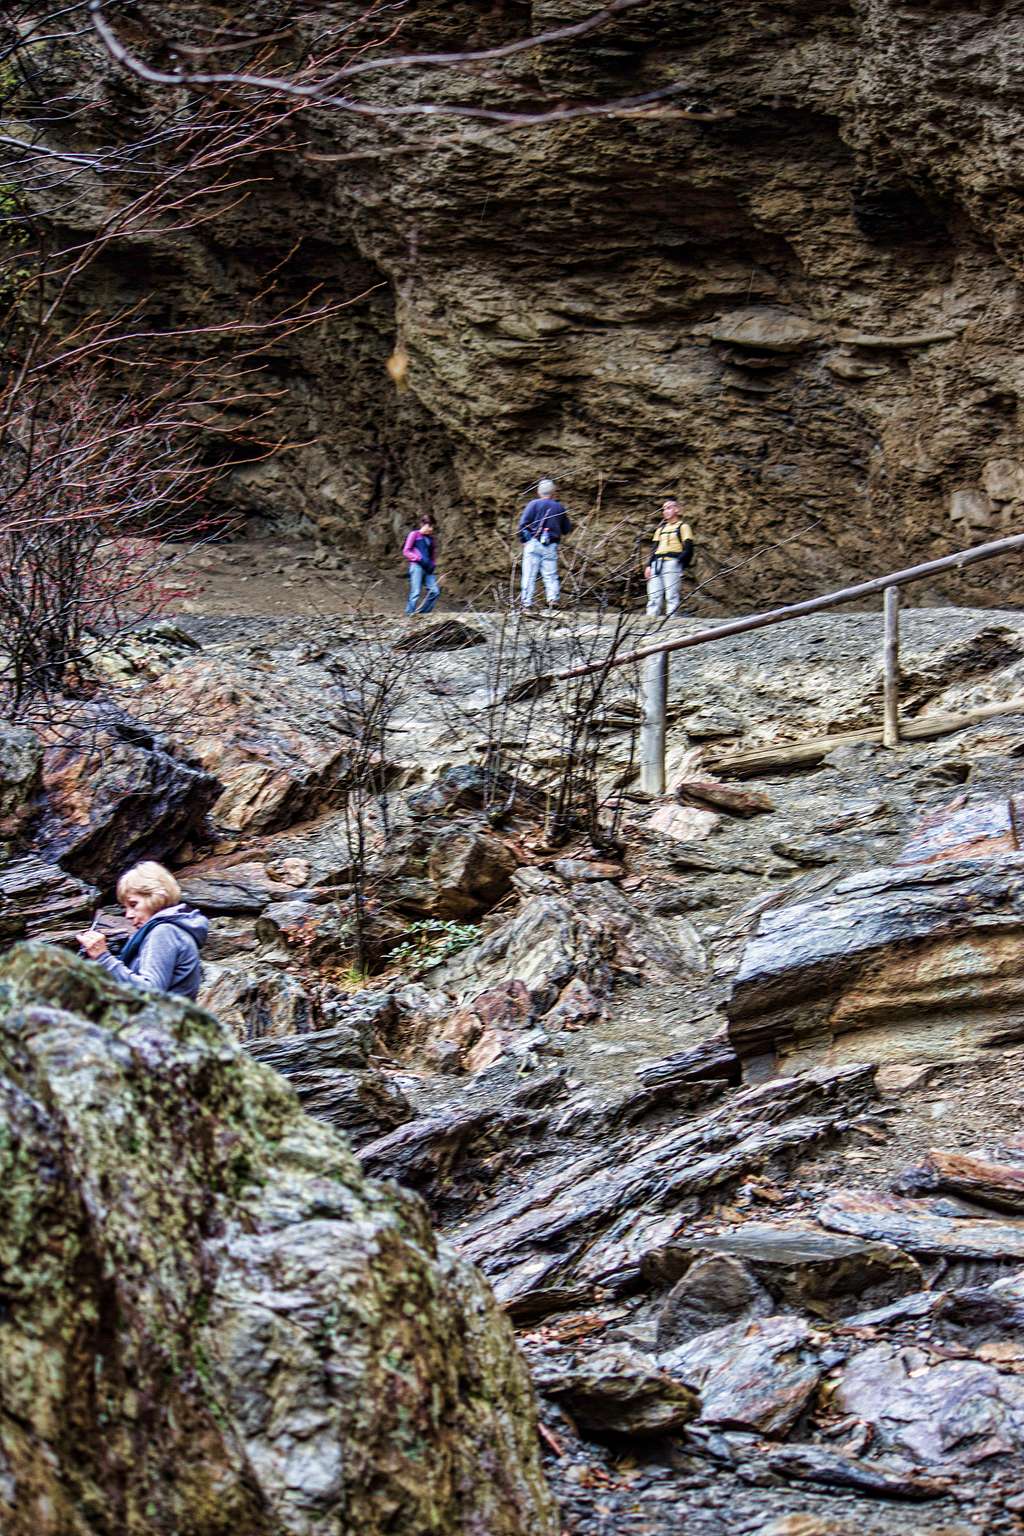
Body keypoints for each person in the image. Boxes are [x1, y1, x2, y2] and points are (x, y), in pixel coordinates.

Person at [76, 861, 209, 1000]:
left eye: (133, 904)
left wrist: (103, 958)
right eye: (125, 907)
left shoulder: (165, 932)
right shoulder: (174, 929)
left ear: (156, 897)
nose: (128, 915)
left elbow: (151, 991)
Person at [518, 478, 572, 611]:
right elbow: (566, 528)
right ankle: (553, 599)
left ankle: (526, 604)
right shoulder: (559, 507)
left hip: (533, 543)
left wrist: (525, 541)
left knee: (529, 574)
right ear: (554, 493)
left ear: (538, 492)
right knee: (550, 575)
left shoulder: (533, 504)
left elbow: (522, 525)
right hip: (550, 545)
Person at [644, 498, 694, 616]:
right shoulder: (660, 529)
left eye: (669, 508)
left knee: (671, 595)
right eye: (664, 509)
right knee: (653, 594)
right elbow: (654, 549)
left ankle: (671, 621)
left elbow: (689, 548)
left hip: (672, 562)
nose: (665, 511)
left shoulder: (683, 527)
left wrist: (679, 562)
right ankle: (650, 621)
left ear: (677, 509)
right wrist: (648, 565)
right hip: (657, 563)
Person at [402, 517, 441, 616]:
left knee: (435, 591)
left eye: (433, 527)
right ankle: (409, 614)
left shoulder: (431, 539)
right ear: (423, 524)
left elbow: (432, 555)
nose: (431, 529)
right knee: (415, 591)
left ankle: (423, 614)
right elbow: (406, 550)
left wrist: (433, 564)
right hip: (417, 567)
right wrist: (417, 559)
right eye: (429, 526)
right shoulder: (414, 534)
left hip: (428, 568)